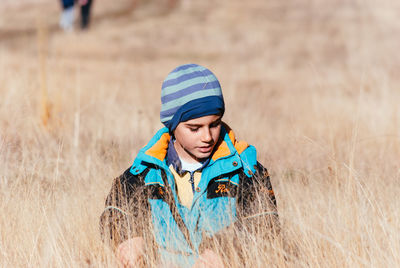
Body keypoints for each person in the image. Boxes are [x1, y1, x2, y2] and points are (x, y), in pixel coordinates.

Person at [100, 63, 279, 267]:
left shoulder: (247, 170)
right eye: (195, 128)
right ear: (172, 125)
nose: (207, 137)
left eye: (214, 124)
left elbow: (266, 225)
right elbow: (112, 215)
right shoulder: (144, 172)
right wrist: (130, 237)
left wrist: (227, 248)